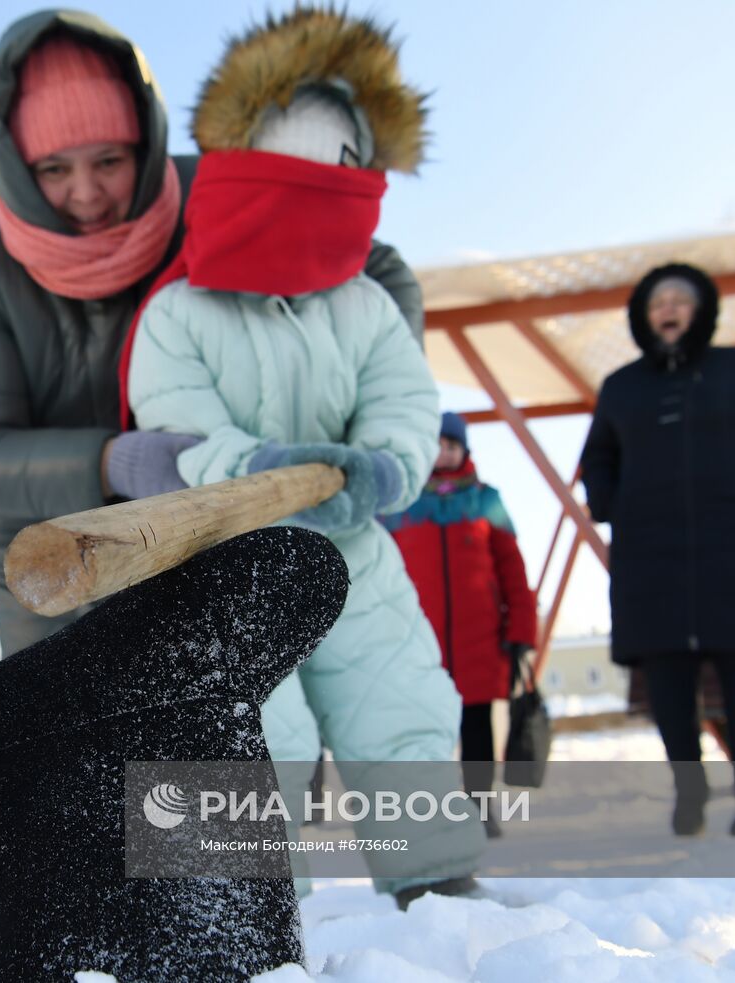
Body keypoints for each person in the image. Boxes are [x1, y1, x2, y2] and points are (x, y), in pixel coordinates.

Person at [0, 8, 428, 660]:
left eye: (109, 160)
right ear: (17, 166)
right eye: (53, 169)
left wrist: (373, 399)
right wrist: (114, 460)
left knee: (244, 720)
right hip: (53, 557)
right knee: (78, 724)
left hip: (211, 535)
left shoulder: (211, 191)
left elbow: (376, 269)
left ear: (144, 145)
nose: (86, 192)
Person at [124, 8, 484, 909]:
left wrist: (385, 465)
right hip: (226, 562)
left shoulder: (364, 305)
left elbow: (402, 398)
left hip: (353, 549)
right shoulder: (178, 313)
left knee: (396, 700)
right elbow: (182, 435)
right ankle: (238, 911)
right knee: (246, 729)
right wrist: (263, 467)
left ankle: (437, 880)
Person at [580, 262, 735, 837]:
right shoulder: (622, 386)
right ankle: (689, 788)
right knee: (667, 681)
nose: (669, 309)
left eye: (680, 299)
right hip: (650, 558)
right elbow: (599, 457)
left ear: (701, 309)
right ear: (644, 316)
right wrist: (611, 504)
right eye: (658, 301)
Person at [382, 412, 539, 836]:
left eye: (451, 445)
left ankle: (479, 807)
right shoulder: (400, 505)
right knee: (423, 729)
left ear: (464, 451)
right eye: (436, 444)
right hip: (418, 641)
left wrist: (521, 632)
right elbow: (382, 572)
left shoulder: (487, 501)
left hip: (480, 639)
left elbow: (513, 571)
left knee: (476, 729)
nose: (444, 453)